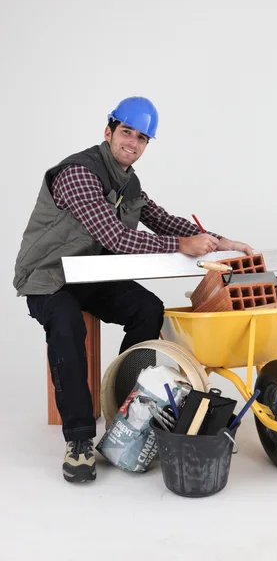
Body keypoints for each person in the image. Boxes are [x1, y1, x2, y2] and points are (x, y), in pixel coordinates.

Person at [13, 96, 252, 484]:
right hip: (49, 277)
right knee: (66, 323)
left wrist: (222, 241)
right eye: (127, 132)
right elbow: (115, 236)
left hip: (92, 274)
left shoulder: (129, 182)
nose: (133, 143)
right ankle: (78, 440)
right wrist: (180, 247)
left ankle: (124, 406)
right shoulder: (78, 173)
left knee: (147, 308)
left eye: (142, 138)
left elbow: (162, 220)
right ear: (108, 132)